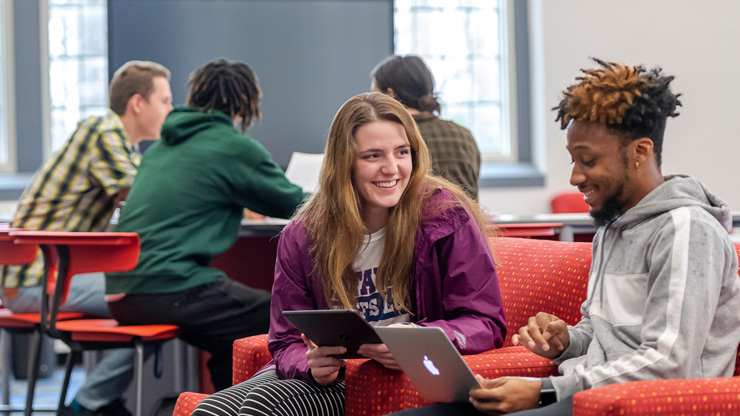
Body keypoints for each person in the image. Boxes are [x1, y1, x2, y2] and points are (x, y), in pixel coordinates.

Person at [388, 59, 740, 416]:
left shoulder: (687, 230)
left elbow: (670, 363)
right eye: (573, 160)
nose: (574, 177)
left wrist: (545, 391)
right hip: (589, 396)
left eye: (587, 160)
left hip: (649, 405)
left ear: (640, 152)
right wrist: (565, 340)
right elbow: (601, 332)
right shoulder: (612, 230)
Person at [190, 92, 506, 416]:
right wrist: (308, 362)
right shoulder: (303, 234)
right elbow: (285, 342)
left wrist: (417, 341)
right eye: (372, 156)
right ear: (345, 163)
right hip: (327, 376)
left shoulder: (445, 217)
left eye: (402, 152)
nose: (392, 168)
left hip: (395, 375)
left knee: (257, 408)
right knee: (211, 410)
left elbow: (485, 322)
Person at [105, 58, 308, 391]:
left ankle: (218, 403)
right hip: (169, 286)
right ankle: (232, 409)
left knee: (234, 328)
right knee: (279, 316)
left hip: (122, 292)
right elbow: (297, 205)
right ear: (245, 105)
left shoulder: (160, 147)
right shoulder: (233, 147)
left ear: (196, 95)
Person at [0, 60, 172, 416]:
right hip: (36, 281)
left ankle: (97, 400)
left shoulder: (118, 143)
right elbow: (145, 194)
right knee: (153, 299)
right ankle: (88, 405)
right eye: (166, 100)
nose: (171, 110)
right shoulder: (103, 129)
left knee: (153, 301)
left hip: (45, 278)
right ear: (138, 103)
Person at [371, 54, 481, 200]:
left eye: (375, 94)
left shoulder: (394, 139)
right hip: (467, 221)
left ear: (389, 95)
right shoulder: (465, 135)